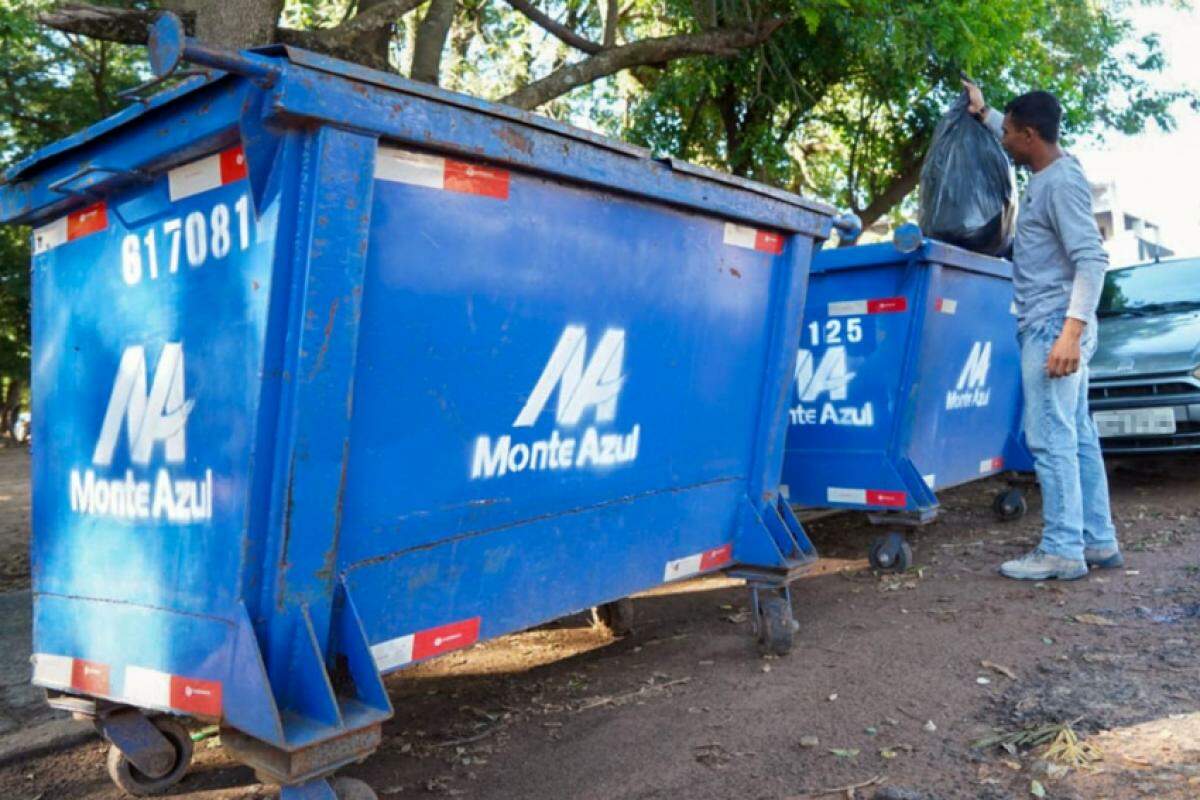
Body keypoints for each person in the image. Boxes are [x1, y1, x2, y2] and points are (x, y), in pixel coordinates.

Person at [962, 80, 1121, 580]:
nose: (1004, 140)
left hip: (1054, 325)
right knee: (1076, 440)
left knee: (1051, 440)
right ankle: (1096, 542)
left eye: (1008, 133)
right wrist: (984, 111)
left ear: (1030, 135)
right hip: (1056, 321)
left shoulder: (1059, 184)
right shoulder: (1052, 172)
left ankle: (1061, 550)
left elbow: (1092, 260)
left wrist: (1069, 335)